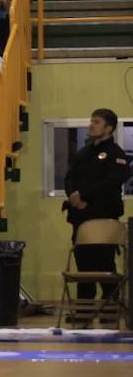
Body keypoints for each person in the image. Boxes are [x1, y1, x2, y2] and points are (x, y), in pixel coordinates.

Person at [63, 108, 128, 309]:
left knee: (104, 263)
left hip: (103, 215)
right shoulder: (84, 152)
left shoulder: (115, 153)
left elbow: (112, 181)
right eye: (91, 121)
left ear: (109, 128)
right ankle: (84, 308)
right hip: (80, 216)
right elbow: (69, 177)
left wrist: (84, 196)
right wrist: (73, 197)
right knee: (84, 267)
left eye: (97, 122)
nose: (91, 125)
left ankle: (110, 307)